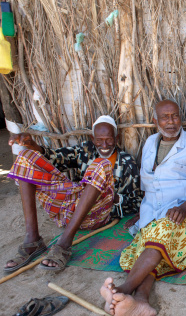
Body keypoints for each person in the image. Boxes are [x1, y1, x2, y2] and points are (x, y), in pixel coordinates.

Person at [100, 100, 186, 316]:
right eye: (165, 117)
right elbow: (148, 184)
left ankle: (122, 291)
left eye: (175, 116)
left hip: (184, 210)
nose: (171, 122)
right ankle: (142, 302)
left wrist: (183, 208)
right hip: (152, 211)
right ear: (156, 121)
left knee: (161, 236)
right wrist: (139, 214)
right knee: (147, 248)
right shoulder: (150, 144)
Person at [5, 116, 142, 272]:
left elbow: (137, 202)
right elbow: (53, 158)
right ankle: (33, 239)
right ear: (92, 138)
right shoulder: (84, 150)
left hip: (98, 214)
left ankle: (63, 244)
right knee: (25, 157)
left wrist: (111, 196)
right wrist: (32, 145)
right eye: (99, 140)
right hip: (69, 208)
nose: (104, 145)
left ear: (116, 138)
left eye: (109, 140)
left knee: (101, 165)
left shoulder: (127, 162)